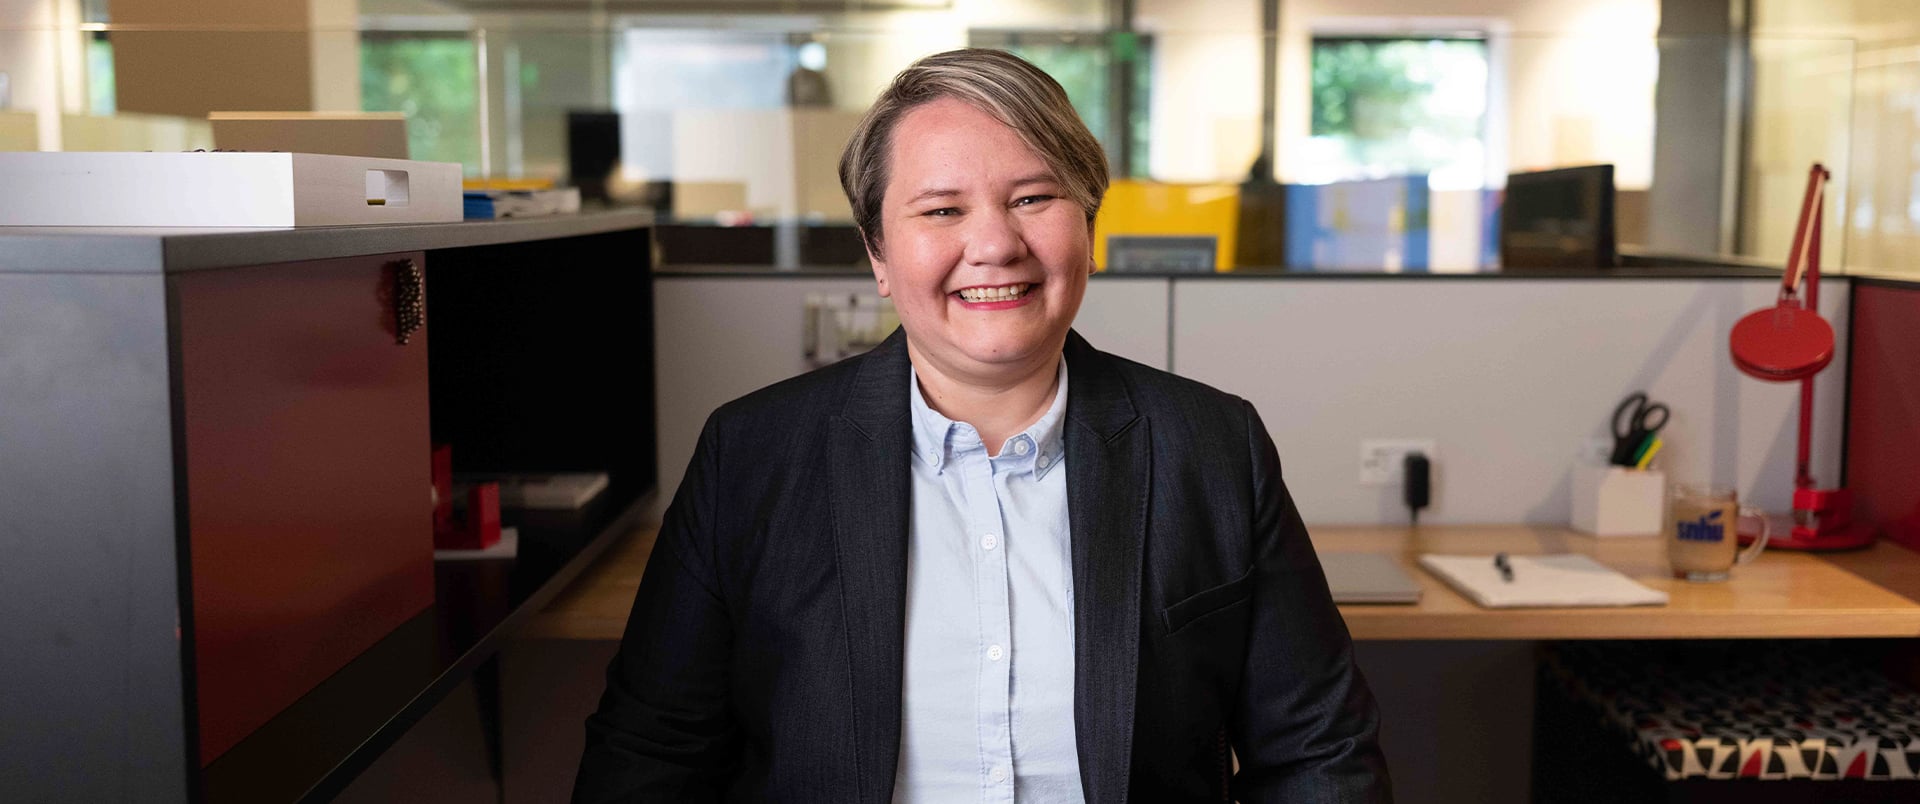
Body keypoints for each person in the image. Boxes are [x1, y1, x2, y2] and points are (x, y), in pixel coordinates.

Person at [574, 48, 1390, 803]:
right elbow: (651, 755)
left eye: (1033, 198)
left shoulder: (1210, 446)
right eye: (941, 210)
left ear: (1089, 229)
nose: (995, 244)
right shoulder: (753, 455)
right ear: (878, 255)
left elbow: (1319, 754)